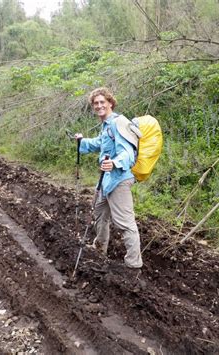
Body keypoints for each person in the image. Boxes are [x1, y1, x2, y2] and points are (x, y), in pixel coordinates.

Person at [75, 87, 142, 269]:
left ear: (110, 103)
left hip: (119, 179)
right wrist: (82, 141)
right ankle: (99, 249)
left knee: (125, 223)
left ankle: (133, 264)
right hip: (106, 180)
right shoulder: (106, 126)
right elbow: (100, 143)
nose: (99, 106)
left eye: (102, 102)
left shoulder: (118, 123)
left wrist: (114, 163)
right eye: (95, 103)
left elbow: (127, 152)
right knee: (99, 213)